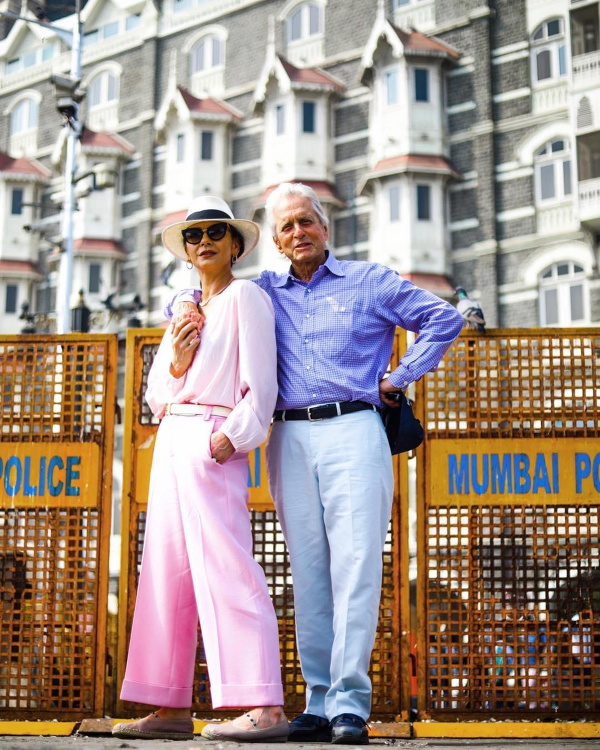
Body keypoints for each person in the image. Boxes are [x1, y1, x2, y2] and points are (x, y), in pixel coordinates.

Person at [167, 183, 464, 744]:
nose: (297, 233)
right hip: (287, 437)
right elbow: (196, 293)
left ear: (325, 228)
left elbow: (442, 319)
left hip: (354, 425)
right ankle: (319, 701)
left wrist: (397, 379)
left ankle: (351, 704)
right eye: (285, 227)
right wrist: (183, 303)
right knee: (307, 574)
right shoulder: (262, 292)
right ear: (275, 241)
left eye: (306, 221)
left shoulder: (370, 280)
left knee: (355, 568)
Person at [113, 196, 289, 743]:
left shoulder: (246, 297)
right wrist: (178, 360)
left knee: (227, 564)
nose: (204, 241)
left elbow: (263, 385)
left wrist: (230, 438)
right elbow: (155, 395)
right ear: (187, 252)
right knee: (164, 571)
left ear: (235, 244)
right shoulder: (184, 310)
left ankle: (265, 704)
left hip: (212, 439)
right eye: (194, 236)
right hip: (171, 440)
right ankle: (168, 707)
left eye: (216, 232)